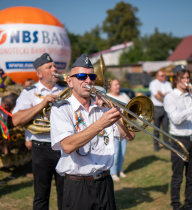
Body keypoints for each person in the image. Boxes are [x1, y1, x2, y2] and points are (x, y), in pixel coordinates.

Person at [50, 53, 135, 210]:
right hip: (77, 186)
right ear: (69, 81)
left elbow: (129, 136)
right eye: (82, 76)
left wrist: (117, 115)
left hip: (105, 183)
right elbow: (67, 145)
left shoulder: (103, 108)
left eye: (92, 76)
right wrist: (100, 124)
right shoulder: (62, 109)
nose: (88, 81)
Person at [12, 53, 65, 210]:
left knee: (66, 193)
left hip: (64, 146)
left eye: (55, 66)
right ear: (39, 74)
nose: (54, 69)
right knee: (41, 195)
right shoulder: (29, 92)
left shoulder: (65, 89)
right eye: (49, 67)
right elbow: (16, 120)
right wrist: (43, 103)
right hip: (41, 147)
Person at [164, 65, 192, 210]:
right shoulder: (170, 97)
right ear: (176, 79)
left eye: (188, 77)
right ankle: (176, 206)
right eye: (183, 78)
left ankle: (189, 205)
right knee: (177, 177)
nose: (186, 80)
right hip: (179, 140)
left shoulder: (191, 95)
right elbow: (176, 119)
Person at [107, 79, 131, 182]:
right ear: (110, 87)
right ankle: (113, 172)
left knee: (122, 151)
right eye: (116, 84)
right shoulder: (107, 97)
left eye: (118, 84)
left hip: (124, 126)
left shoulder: (124, 95)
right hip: (113, 128)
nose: (118, 86)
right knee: (115, 151)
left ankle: (120, 170)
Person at [149, 70, 172, 151]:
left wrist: (162, 93)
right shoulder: (153, 83)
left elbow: (171, 94)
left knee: (165, 128)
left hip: (165, 107)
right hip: (157, 107)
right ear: (157, 76)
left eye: (164, 75)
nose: (164, 77)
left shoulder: (168, 83)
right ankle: (156, 145)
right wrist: (165, 95)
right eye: (162, 75)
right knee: (156, 128)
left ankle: (166, 144)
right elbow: (157, 96)